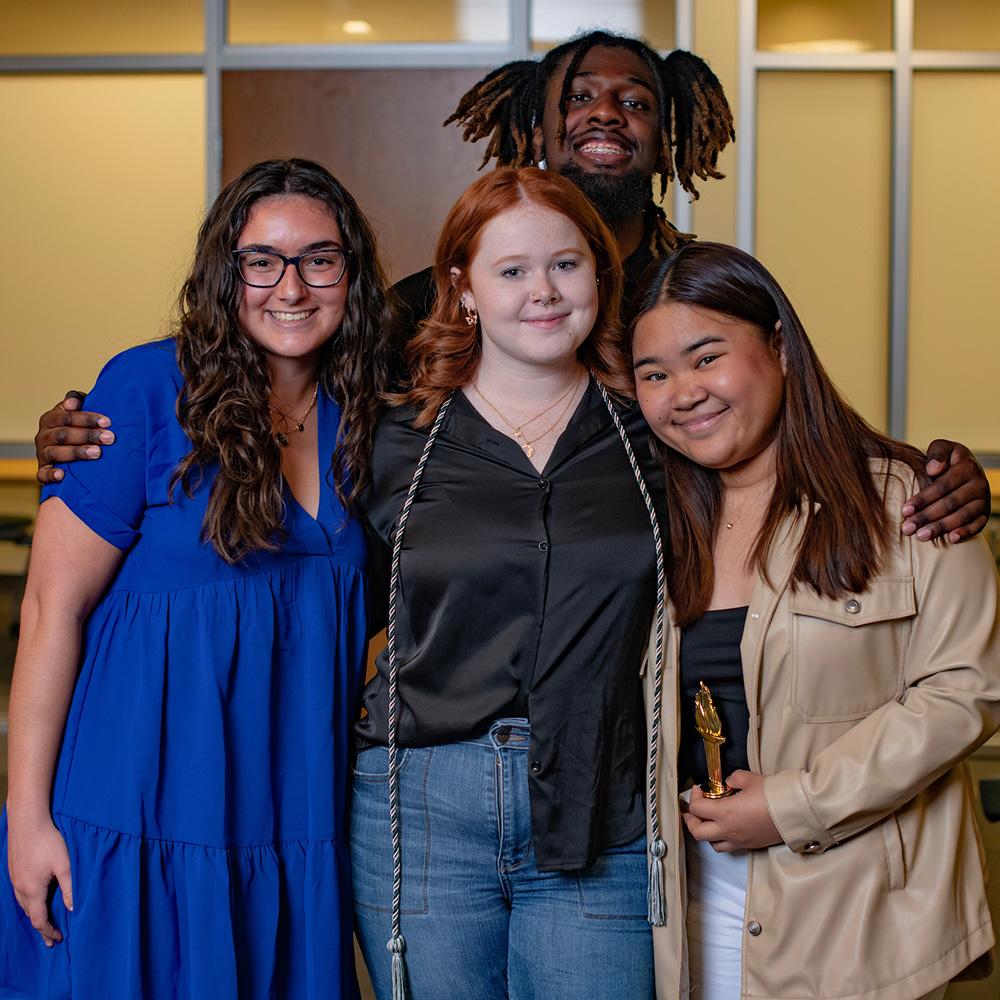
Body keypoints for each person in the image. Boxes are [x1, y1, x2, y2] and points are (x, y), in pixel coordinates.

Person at [31, 30, 992, 541]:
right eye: (579, 95)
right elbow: (285, 360)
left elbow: (795, 411)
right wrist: (106, 424)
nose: (605, 111)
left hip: (669, 597)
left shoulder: (700, 288)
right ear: (537, 127)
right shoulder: (436, 300)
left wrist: (918, 470)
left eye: (635, 99)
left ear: (672, 134)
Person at [0, 158, 391, 999]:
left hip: (294, 816)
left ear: (351, 277)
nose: (290, 286)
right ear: (226, 272)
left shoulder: (370, 418)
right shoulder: (143, 390)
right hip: (136, 805)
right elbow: (49, 610)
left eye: (321, 259)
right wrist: (25, 818)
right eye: (262, 260)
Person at [631, 241, 1000, 1000]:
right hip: (679, 914)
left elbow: (969, 689)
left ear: (779, 347)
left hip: (859, 915)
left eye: (707, 358)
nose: (682, 392)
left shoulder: (908, 501)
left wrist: (795, 804)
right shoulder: (646, 525)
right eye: (654, 374)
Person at [352, 166, 664, 999]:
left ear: (601, 273)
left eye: (566, 264)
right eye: (513, 270)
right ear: (462, 289)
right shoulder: (391, 440)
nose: (545, 292)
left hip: (606, 797)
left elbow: (794, 449)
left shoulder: (657, 434)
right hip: (419, 800)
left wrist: (923, 474)